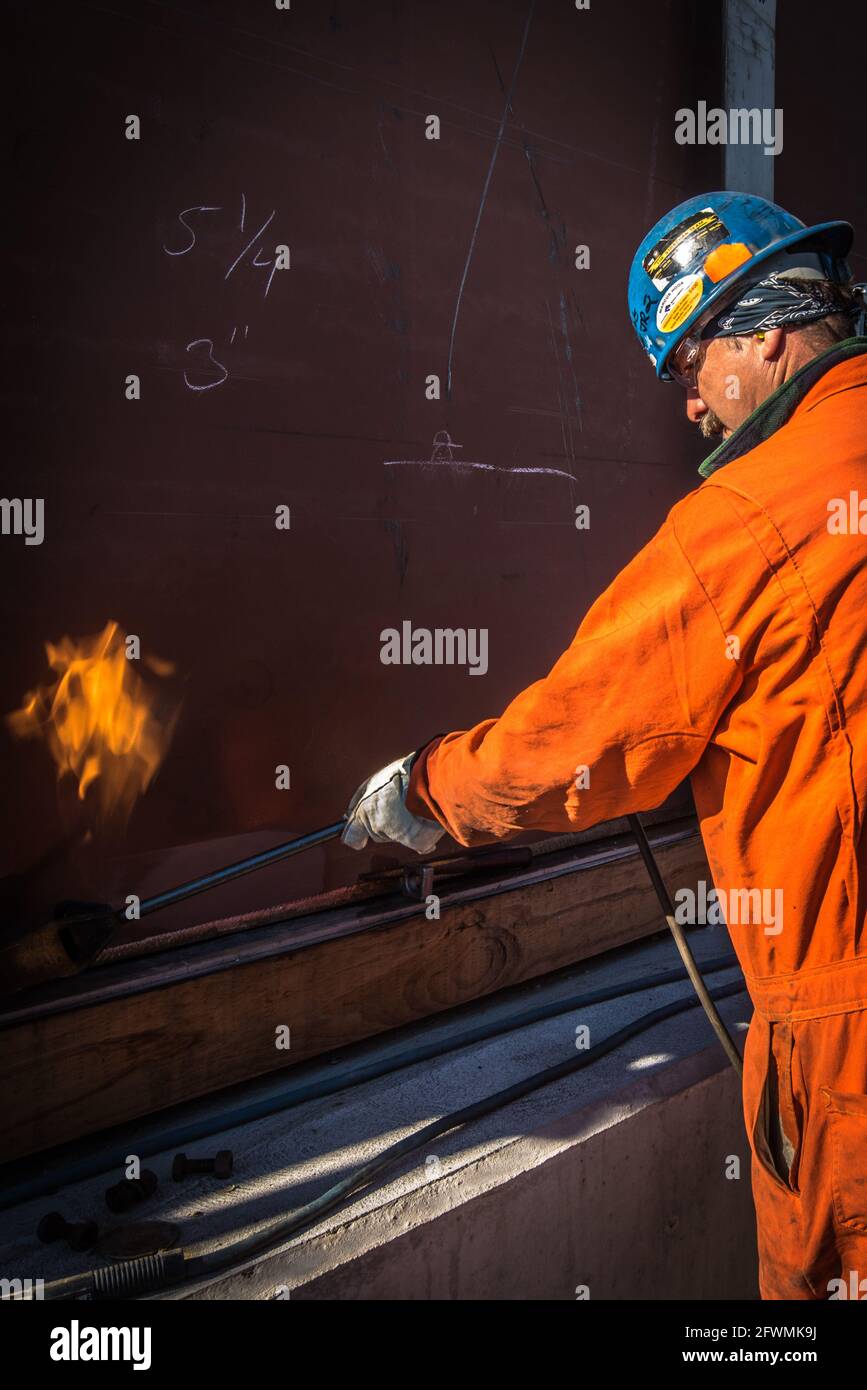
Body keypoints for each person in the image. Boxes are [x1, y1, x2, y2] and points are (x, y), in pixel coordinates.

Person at [342, 192, 867, 1301]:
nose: (688, 408)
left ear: (763, 331)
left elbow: (573, 741)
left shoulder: (750, 519)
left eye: (686, 365)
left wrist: (425, 791)